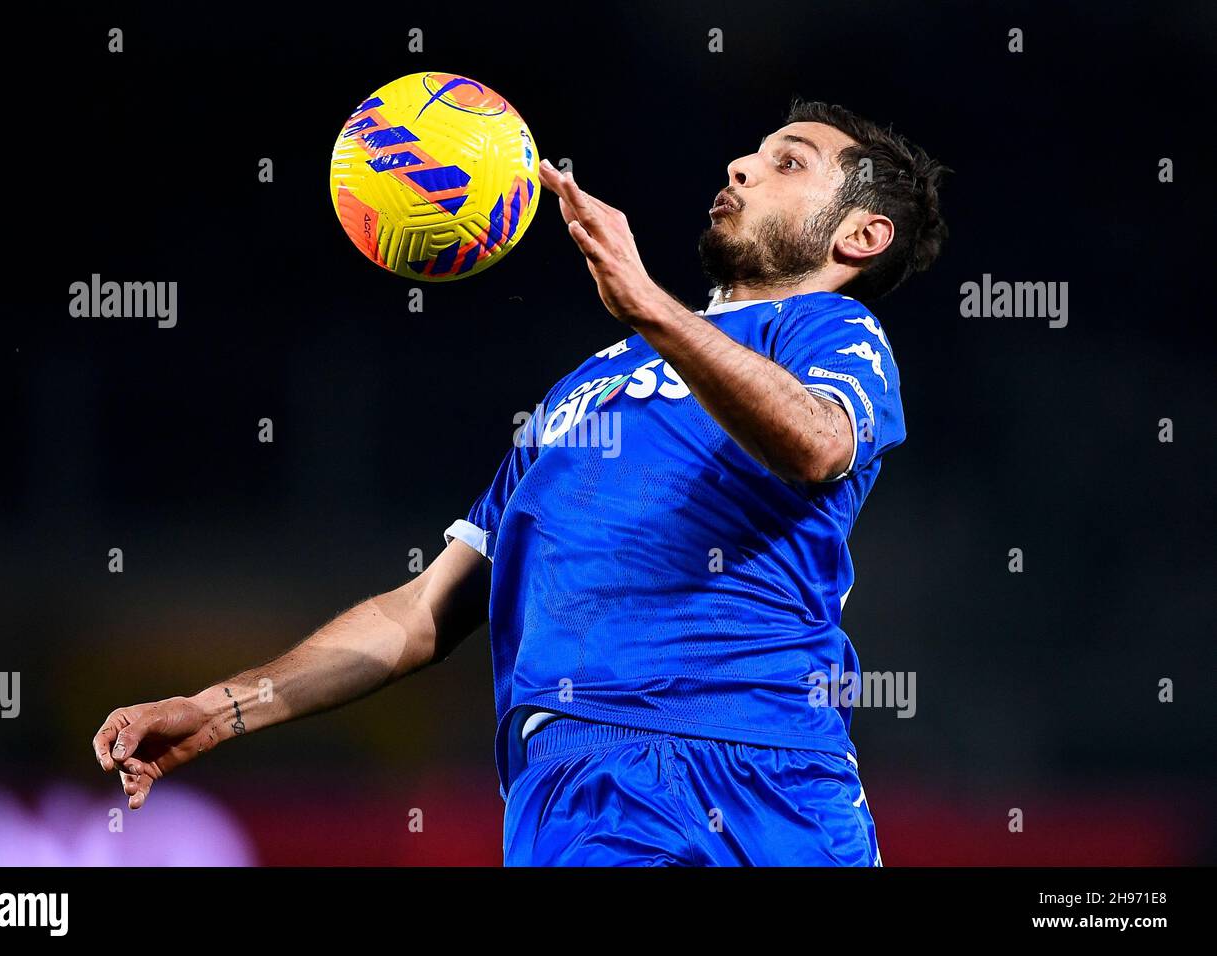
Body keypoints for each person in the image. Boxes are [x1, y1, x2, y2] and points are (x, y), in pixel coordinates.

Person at [93, 98, 948, 866]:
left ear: (860, 236)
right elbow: (423, 611)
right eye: (754, 152)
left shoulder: (828, 330)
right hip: (585, 784)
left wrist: (651, 304)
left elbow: (818, 442)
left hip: (772, 768)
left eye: (788, 161)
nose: (742, 166)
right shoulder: (584, 391)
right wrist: (219, 708)